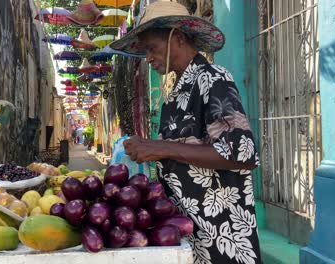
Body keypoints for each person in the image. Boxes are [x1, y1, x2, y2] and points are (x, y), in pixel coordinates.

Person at [111, 1, 261, 263]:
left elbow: (241, 154)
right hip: (190, 235)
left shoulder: (212, 79)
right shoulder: (176, 95)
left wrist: (160, 148)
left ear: (177, 37)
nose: (148, 59)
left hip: (222, 239)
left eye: (151, 48)